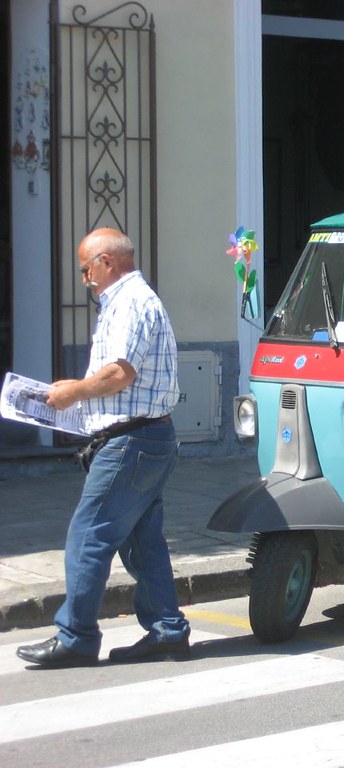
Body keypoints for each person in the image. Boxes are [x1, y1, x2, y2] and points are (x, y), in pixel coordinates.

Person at [16, 227, 191, 667]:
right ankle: (167, 630)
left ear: (106, 262)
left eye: (85, 269)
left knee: (88, 536)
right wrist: (75, 393)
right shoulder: (133, 300)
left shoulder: (130, 302)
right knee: (142, 540)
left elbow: (120, 374)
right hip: (145, 439)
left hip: (131, 442)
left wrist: (74, 392)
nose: (84, 279)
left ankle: (76, 636)